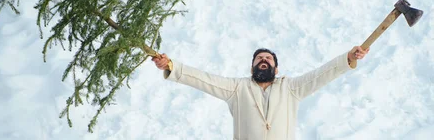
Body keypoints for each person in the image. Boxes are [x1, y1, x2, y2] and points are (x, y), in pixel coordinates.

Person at [152, 46, 369, 140]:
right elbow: (203, 79)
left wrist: (348, 58)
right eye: (259, 59)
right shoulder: (238, 88)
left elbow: (322, 74)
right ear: (252, 68)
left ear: (276, 69)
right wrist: (171, 65)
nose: (263, 60)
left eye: (268, 59)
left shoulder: (290, 88)